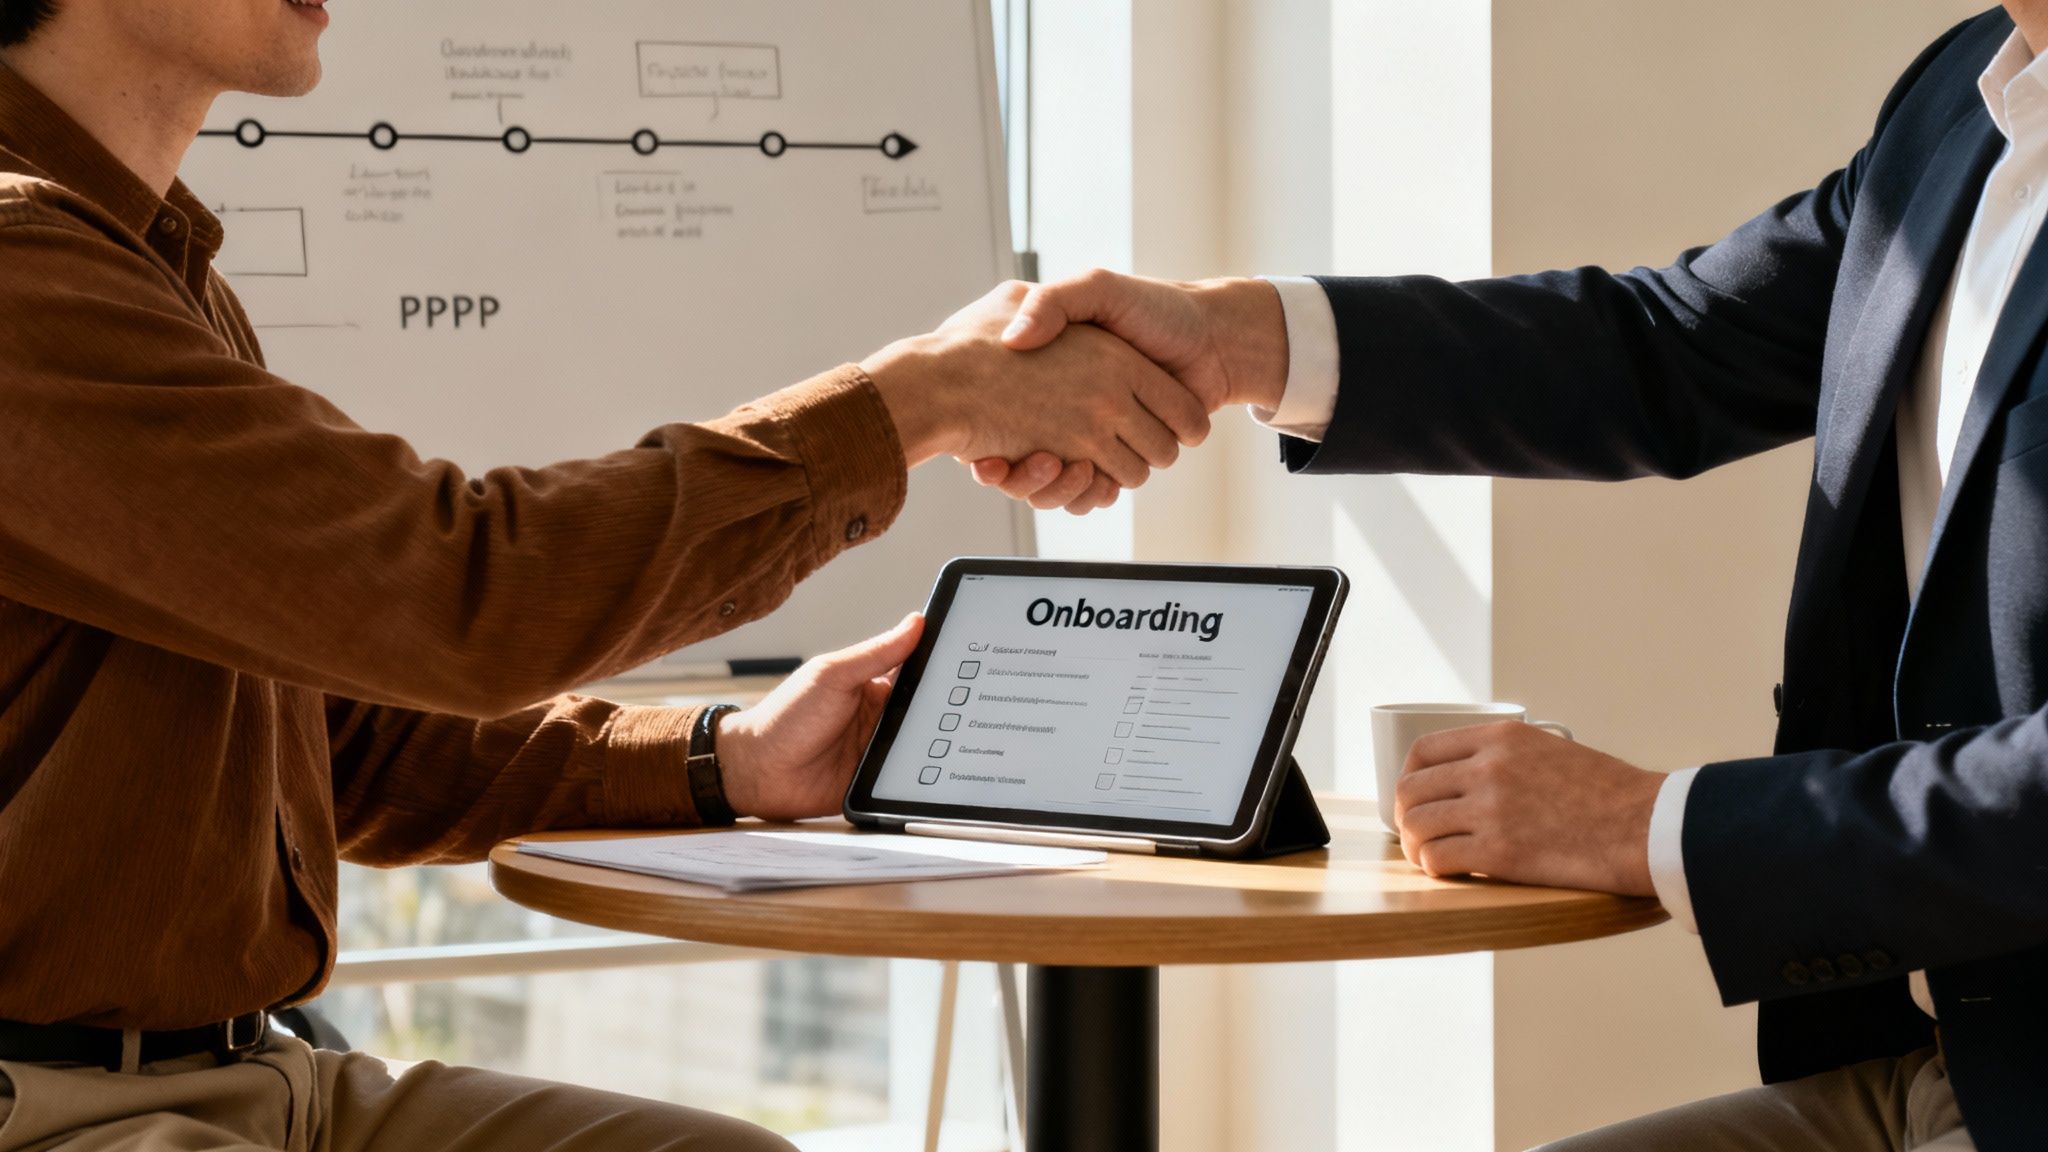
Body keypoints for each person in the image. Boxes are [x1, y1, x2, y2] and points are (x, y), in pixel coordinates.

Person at [0, 0, 1214, 1148]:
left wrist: (725, 758)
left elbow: (332, 746)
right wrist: (926, 397)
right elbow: (460, 595)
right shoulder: (22, 277)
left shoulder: (156, 268)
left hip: (251, 1077)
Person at [982, 5, 2048, 1150]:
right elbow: (1669, 347)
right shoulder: (1971, 91)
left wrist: (1650, 824)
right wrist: (1234, 336)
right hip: (1946, 1059)